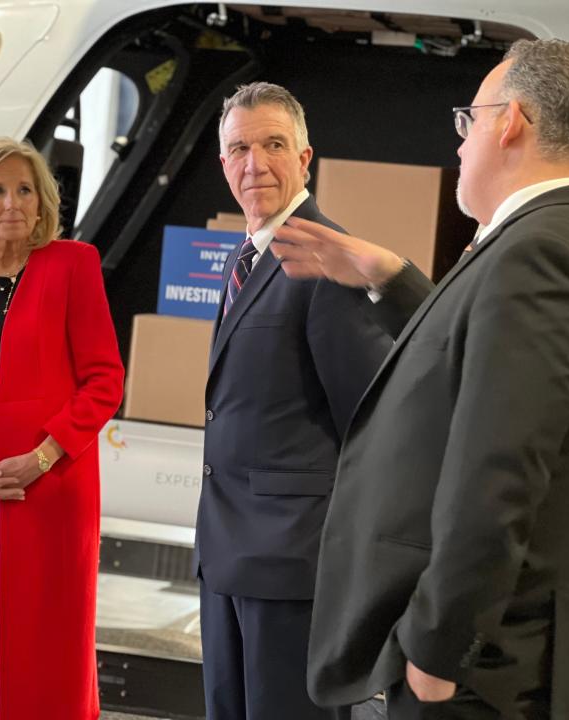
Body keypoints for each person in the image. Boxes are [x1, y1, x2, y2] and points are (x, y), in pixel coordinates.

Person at [271, 39, 569, 719]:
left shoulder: (540, 256)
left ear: (510, 123)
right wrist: (389, 279)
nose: (461, 143)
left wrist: (435, 655)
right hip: (503, 663)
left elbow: (499, 476)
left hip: (482, 677)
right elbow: (486, 368)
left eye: (468, 120)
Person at [196, 82, 392, 720]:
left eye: (273, 145)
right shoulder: (246, 255)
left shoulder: (325, 259)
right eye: (239, 149)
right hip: (228, 554)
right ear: (223, 163)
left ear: (305, 158)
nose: (255, 164)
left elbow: (368, 422)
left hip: (292, 566)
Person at [0, 137, 124, 719]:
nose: (12, 202)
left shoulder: (73, 265)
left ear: (42, 204)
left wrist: (39, 458)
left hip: (51, 493)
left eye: (25, 190)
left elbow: (104, 379)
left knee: (44, 662)